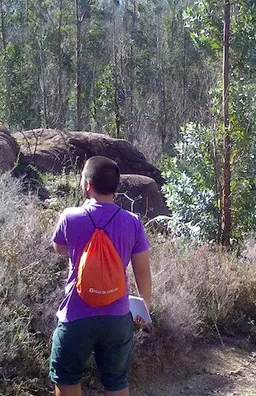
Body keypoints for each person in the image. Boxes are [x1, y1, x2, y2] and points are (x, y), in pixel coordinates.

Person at [49, 156, 152, 396]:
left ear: (87, 185)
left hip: (76, 314)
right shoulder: (133, 222)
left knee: (66, 378)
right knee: (116, 382)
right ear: (116, 188)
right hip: (117, 316)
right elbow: (143, 271)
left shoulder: (70, 217)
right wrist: (144, 308)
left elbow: (59, 247)